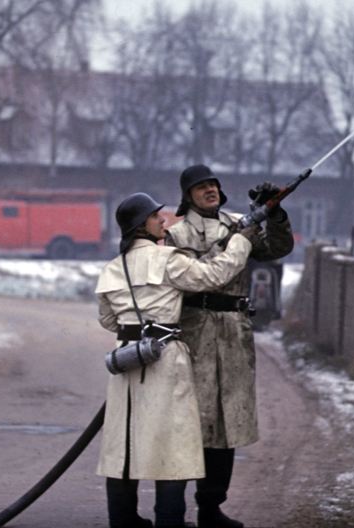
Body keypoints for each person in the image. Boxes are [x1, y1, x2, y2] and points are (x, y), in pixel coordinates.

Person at [95, 193, 260, 528]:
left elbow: (108, 321)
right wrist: (241, 242)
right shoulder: (169, 259)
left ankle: (123, 520)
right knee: (173, 445)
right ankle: (169, 521)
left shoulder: (113, 268)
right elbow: (214, 276)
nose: (164, 220)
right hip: (166, 361)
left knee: (122, 446)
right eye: (157, 216)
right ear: (142, 225)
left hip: (126, 362)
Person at [164, 165, 294, 528]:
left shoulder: (239, 223)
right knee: (195, 420)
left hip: (234, 333)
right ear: (186, 196)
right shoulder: (176, 234)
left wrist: (276, 213)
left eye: (213, 185)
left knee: (228, 423)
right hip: (195, 333)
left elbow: (277, 248)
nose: (209, 191)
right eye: (200, 187)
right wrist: (235, 242)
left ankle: (211, 507)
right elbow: (190, 279)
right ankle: (173, 510)